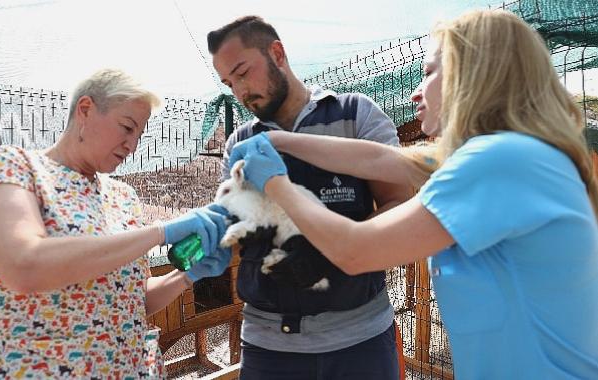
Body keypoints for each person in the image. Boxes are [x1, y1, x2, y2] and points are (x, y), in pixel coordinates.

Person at [228, 9, 598, 379]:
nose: (415, 92)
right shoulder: (516, 153)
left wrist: (276, 182)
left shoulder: (496, 162)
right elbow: (380, 158)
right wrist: (278, 140)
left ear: (475, 75)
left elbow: (356, 252)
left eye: (430, 72)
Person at [0, 69, 232, 378]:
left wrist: (186, 276)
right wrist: (160, 232)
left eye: (139, 136)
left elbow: (132, 299)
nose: (132, 145)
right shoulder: (14, 168)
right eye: (126, 127)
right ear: (85, 110)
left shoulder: (122, 196)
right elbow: (25, 266)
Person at [207, 16, 411, 380]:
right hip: (269, 346)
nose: (239, 92)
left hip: (360, 337)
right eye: (228, 82)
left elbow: (402, 206)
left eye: (242, 72)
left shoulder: (355, 115)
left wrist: (333, 253)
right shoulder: (239, 143)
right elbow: (231, 223)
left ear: (277, 53)